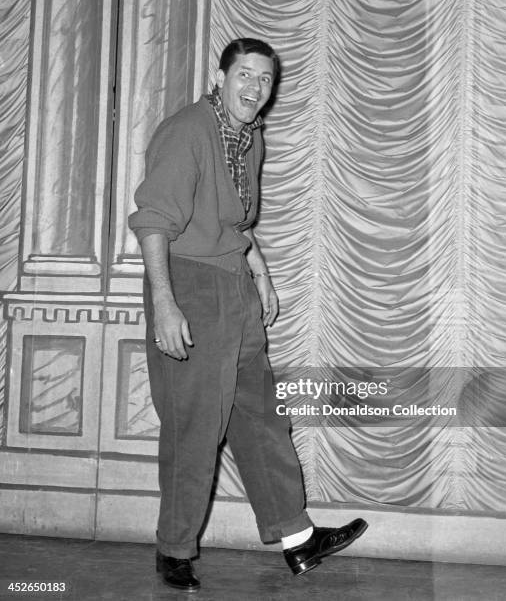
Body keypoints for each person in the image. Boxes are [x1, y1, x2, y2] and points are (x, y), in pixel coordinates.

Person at [128, 37, 368, 593]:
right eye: (245, 75)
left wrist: (259, 272)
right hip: (189, 283)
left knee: (260, 416)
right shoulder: (188, 130)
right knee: (196, 425)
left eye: (265, 79)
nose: (255, 88)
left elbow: (234, 220)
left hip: (233, 285)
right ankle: (175, 549)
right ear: (220, 76)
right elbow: (153, 223)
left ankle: (296, 538)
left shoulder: (247, 138)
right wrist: (165, 302)